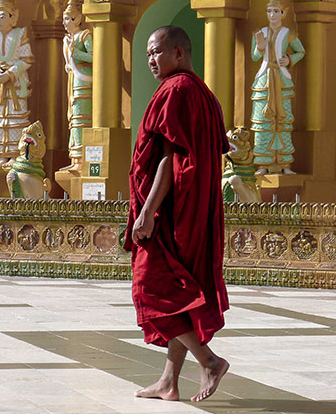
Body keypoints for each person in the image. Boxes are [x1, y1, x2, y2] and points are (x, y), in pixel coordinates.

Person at [124, 26, 230, 403]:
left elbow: (171, 158)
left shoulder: (177, 90)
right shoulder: (201, 93)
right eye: (148, 54)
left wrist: (148, 211)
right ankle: (169, 380)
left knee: (152, 287)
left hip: (170, 213)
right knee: (178, 293)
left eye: (157, 52)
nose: (151, 60)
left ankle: (209, 361)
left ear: (179, 53)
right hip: (188, 212)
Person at [251, 0, 305, 175]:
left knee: (283, 122)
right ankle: (263, 164)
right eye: (269, 11)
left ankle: (285, 164)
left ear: (283, 13)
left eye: (276, 11)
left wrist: (289, 59)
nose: (272, 15)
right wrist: (259, 47)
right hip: (264, 80)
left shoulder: (288, 34)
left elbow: (301, 51)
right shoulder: (261, 33)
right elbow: (255, 57)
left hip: (282, 80)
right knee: (263, 123)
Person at [0, 0, 33, 168]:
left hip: (15, 83)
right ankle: (2, 156)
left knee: (16, 119)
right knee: (1, 121)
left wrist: (11, 73)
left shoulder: (20, 34)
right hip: (1, 85)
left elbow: (27, 59)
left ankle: (15, 154)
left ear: (12, 17)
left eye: (2, 16)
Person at [59, 0, 92, 173]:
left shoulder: (84, 36)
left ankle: (82, 160)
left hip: (85, 83)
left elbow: (95, 57)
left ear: (77, 18)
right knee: (73, 120)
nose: (64, 22)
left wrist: (76, 54)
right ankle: (75, 158)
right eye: (63, 19)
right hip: (73, 82)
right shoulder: (68, 39)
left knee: (81, 120)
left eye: (67, 19)